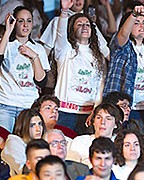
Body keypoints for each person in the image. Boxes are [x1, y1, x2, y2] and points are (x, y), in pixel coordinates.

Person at [53, 0, 108, 134]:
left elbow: (100, 86)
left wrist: (96, 110)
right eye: (79, 24)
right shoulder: (65, 50)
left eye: (87, 24)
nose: (84, 27)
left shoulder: (99, 56)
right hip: (66, 113)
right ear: (71, 29)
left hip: (89, 114)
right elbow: (60, 34)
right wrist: (64, 11)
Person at [103, 5, 144, 130]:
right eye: (136, 23)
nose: (141, 26)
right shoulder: (122, 48)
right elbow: (122, 35)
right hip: (122, 107)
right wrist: (133, 14)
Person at [0, 6, 50, 132]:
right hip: (6, 104)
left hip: (28, 105)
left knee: (26, 143)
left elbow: (41, 82)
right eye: (21, 20)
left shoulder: (38, 49)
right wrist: (7, 31)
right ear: (14, 22)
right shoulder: (6, 44)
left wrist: (34, 56)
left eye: (29, 20)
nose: (25, 25)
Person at [67, 103, 122, 167]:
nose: (102, 122)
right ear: (93, 122)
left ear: (116, 124)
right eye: (99, 117)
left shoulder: (122, 143)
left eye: (108, 119)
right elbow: (71, 168)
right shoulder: (80, 142)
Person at [1, 109, 46, 176]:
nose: (38, 129)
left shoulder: (40, 143)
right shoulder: (13, 142)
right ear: (24, 126)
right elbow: (23, 171)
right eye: (32, 125)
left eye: (40, 124)